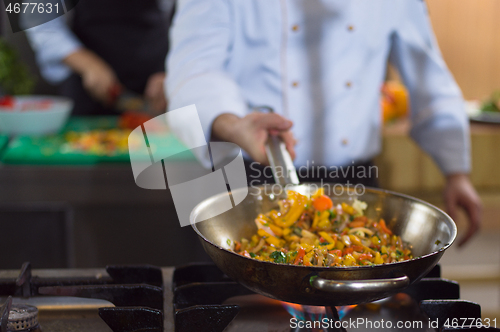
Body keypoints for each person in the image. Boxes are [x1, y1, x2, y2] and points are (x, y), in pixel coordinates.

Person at [165, 0, 482, 246]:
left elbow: (428, 74)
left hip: (356, 184)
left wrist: (456, 172)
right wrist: (233, 125)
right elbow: (194, 69)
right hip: (247, 182)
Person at [24, 0, 175, 115]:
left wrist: (170, 68)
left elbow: (189, 19)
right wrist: (87, 64)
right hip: (86, 92)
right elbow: (37, 18)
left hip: (157, 87)